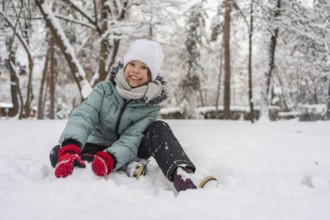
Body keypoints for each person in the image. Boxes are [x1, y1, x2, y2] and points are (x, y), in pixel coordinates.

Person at [49, 39, 217, 192]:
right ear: (124, 66)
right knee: (57, 152)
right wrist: (71, 147)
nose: (136, 71)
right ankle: (117, 164)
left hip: (131, 148)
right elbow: (84, 116)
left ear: (151, 75)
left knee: (159, 128)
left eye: (144, 68)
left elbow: (132, 137)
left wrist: (111, 157)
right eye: (132, 64)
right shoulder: (104, 89)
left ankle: (182, 174)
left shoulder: (150, 106)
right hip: (95, 144)